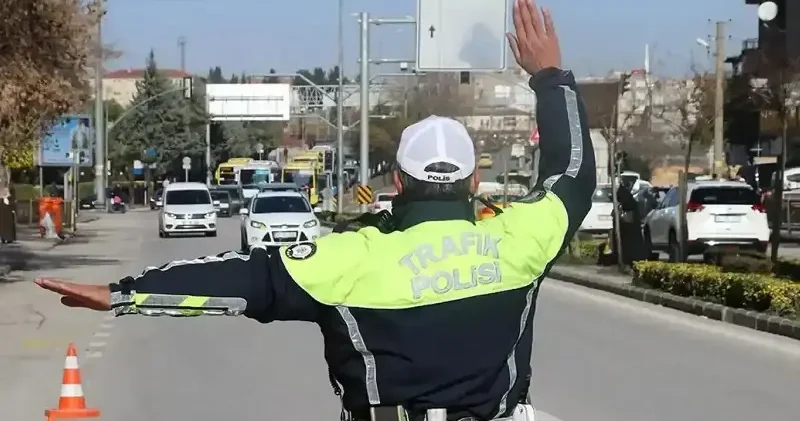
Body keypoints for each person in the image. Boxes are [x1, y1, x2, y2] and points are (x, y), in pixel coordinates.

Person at [35, 2, 595, 420]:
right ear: (476, 181)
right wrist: (550, 76)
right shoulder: (521, 239)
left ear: (398, 180)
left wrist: (124, 293)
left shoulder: (349, 258)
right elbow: (571, 174)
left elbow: (244, 278)